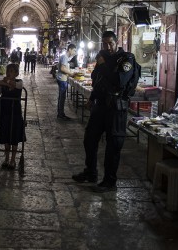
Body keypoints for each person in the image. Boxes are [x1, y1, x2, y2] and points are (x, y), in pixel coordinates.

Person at [72, 31, 137, 192]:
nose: (107, 47)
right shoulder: (103, 57)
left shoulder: (126, 60)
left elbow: (118, 81)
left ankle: (110, 181)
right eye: (105, 43)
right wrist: (92, 97)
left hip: (116, 108)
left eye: (110, 43)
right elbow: (98, 80)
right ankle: (91, 172)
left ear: (117, 42)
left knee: (113, 145)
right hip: (100, 105)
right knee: (90, 139)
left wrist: (102, 64)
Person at [0, 63, 25, 170]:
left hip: (15, 113)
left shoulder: (19, 82)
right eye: (8, 71)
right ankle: (6, 158)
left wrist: (7, 82)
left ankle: (13, 159)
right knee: (6, 136)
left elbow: (18, 86)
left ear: (16, 73)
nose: (9, 73)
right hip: (5, 112)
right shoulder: (3, 83)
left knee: (14, 136)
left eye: (12, 71)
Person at [56, 43, 77, 120]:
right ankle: (61, 114)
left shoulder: (65, 57)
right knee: (62, 97)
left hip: (61, 78)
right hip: (62, 79)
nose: (74, 52)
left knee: (62, 97)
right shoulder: (65, 57)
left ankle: (60, 113)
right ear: (69, 49)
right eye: (74, 50)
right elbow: (62, 68)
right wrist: (71, 73)